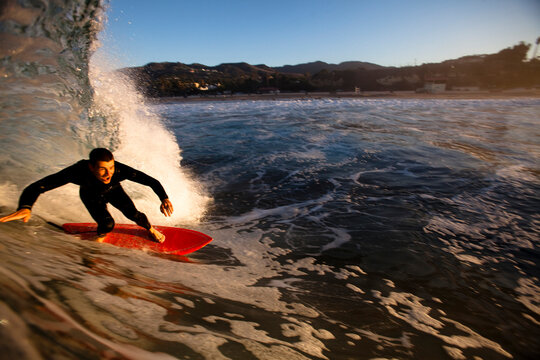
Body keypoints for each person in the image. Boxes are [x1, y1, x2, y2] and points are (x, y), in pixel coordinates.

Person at [0, 148, 174, 243]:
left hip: (114, 191)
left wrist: (164, 198)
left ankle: (150, 230)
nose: (109, 174)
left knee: (134, 215)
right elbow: (38, 186)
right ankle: (99, 237)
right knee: (107, 225)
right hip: (90, 195)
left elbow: (150, 181)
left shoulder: (118, 171)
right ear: (91, 167)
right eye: (103, 169)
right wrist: (25, 206)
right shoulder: (77, 172)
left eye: (111, 168)